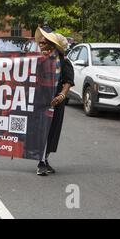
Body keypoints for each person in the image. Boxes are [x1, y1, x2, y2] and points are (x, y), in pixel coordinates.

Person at [34, 26, 74, 176]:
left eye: (45, 41)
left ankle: (44, 159)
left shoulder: (63, 61)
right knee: (40, 129)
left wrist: (62, 95)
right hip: (39, 99)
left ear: (52, 44)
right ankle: (42, 161)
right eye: (40, 42)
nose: (41, 43)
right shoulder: (36, 60)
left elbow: (68, 81)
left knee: (51, 131)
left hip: (56, 100)